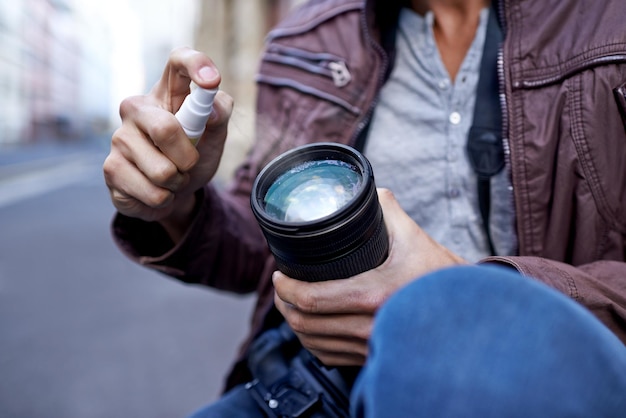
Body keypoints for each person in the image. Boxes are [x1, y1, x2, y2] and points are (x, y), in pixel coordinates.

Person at [103, 0, 626, 416]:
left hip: (531, 378)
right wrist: (176, 201)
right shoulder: (303, 40)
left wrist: (469, 302)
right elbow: (260, 248)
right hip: (317, 383)